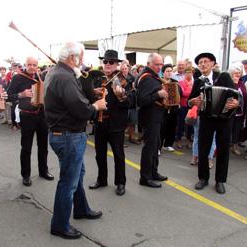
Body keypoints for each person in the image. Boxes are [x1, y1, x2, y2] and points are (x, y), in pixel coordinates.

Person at [44, 42, 106, 239]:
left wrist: (91, 95)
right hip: (69, 136)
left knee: (77, 174)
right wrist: (97, 106)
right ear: (72, 58)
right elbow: (80, 110)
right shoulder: (64, 77)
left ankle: (81, 209)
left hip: (64, 134)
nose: (83, 60)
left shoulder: (58, 73)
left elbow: (72, 99)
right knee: (69, 181)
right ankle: (60, 225)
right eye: (81, 56)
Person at [188, 52, 239, 194]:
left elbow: (235, 96)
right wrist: (193, 102)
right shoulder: (198, 81)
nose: (202, 64)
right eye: (200, 63)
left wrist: (236, 103)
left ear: (212, 63)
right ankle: (203, 178)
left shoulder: (223, 77)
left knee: (223, 150)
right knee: (203, 149)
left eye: (205, 61)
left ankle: (220, 181)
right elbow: (190, 100)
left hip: (224, 119)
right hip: (206, 119)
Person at [88, 49, 131, 196]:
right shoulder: (98, 79)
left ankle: (120, 182)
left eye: (111, 62)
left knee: (118, 154)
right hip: (99, 123)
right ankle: (102, 179)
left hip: (116, 124)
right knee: (99, 154)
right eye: (105, 61)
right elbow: (89, 100)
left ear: (116, 64)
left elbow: (132, 102)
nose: (107, 64)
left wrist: (122, 96)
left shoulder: (124, 80)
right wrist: (93, 94)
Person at [7, 56, 54, 186]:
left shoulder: (40, 77)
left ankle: (43, 171)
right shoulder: (17, 77)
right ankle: (26, 175)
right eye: (29, 64)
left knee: (43, 146)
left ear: (37, 66)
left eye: (34, 64)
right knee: (26, 147)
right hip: (27, 116)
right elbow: (7, 96)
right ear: (25, 64)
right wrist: (21, 95)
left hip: (42, 115)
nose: (32, 67)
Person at [136, 53, 168, 188]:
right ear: (149, 64)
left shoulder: (152, 76)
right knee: (149, 148)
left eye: (161, 64)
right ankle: (145, 177)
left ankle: (153, 172)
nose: (159, 67)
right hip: (150, 118)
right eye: (156, 64)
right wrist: (158, 94)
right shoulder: (146, 77)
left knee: (156, 146)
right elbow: (141, 100)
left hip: (156, 117)